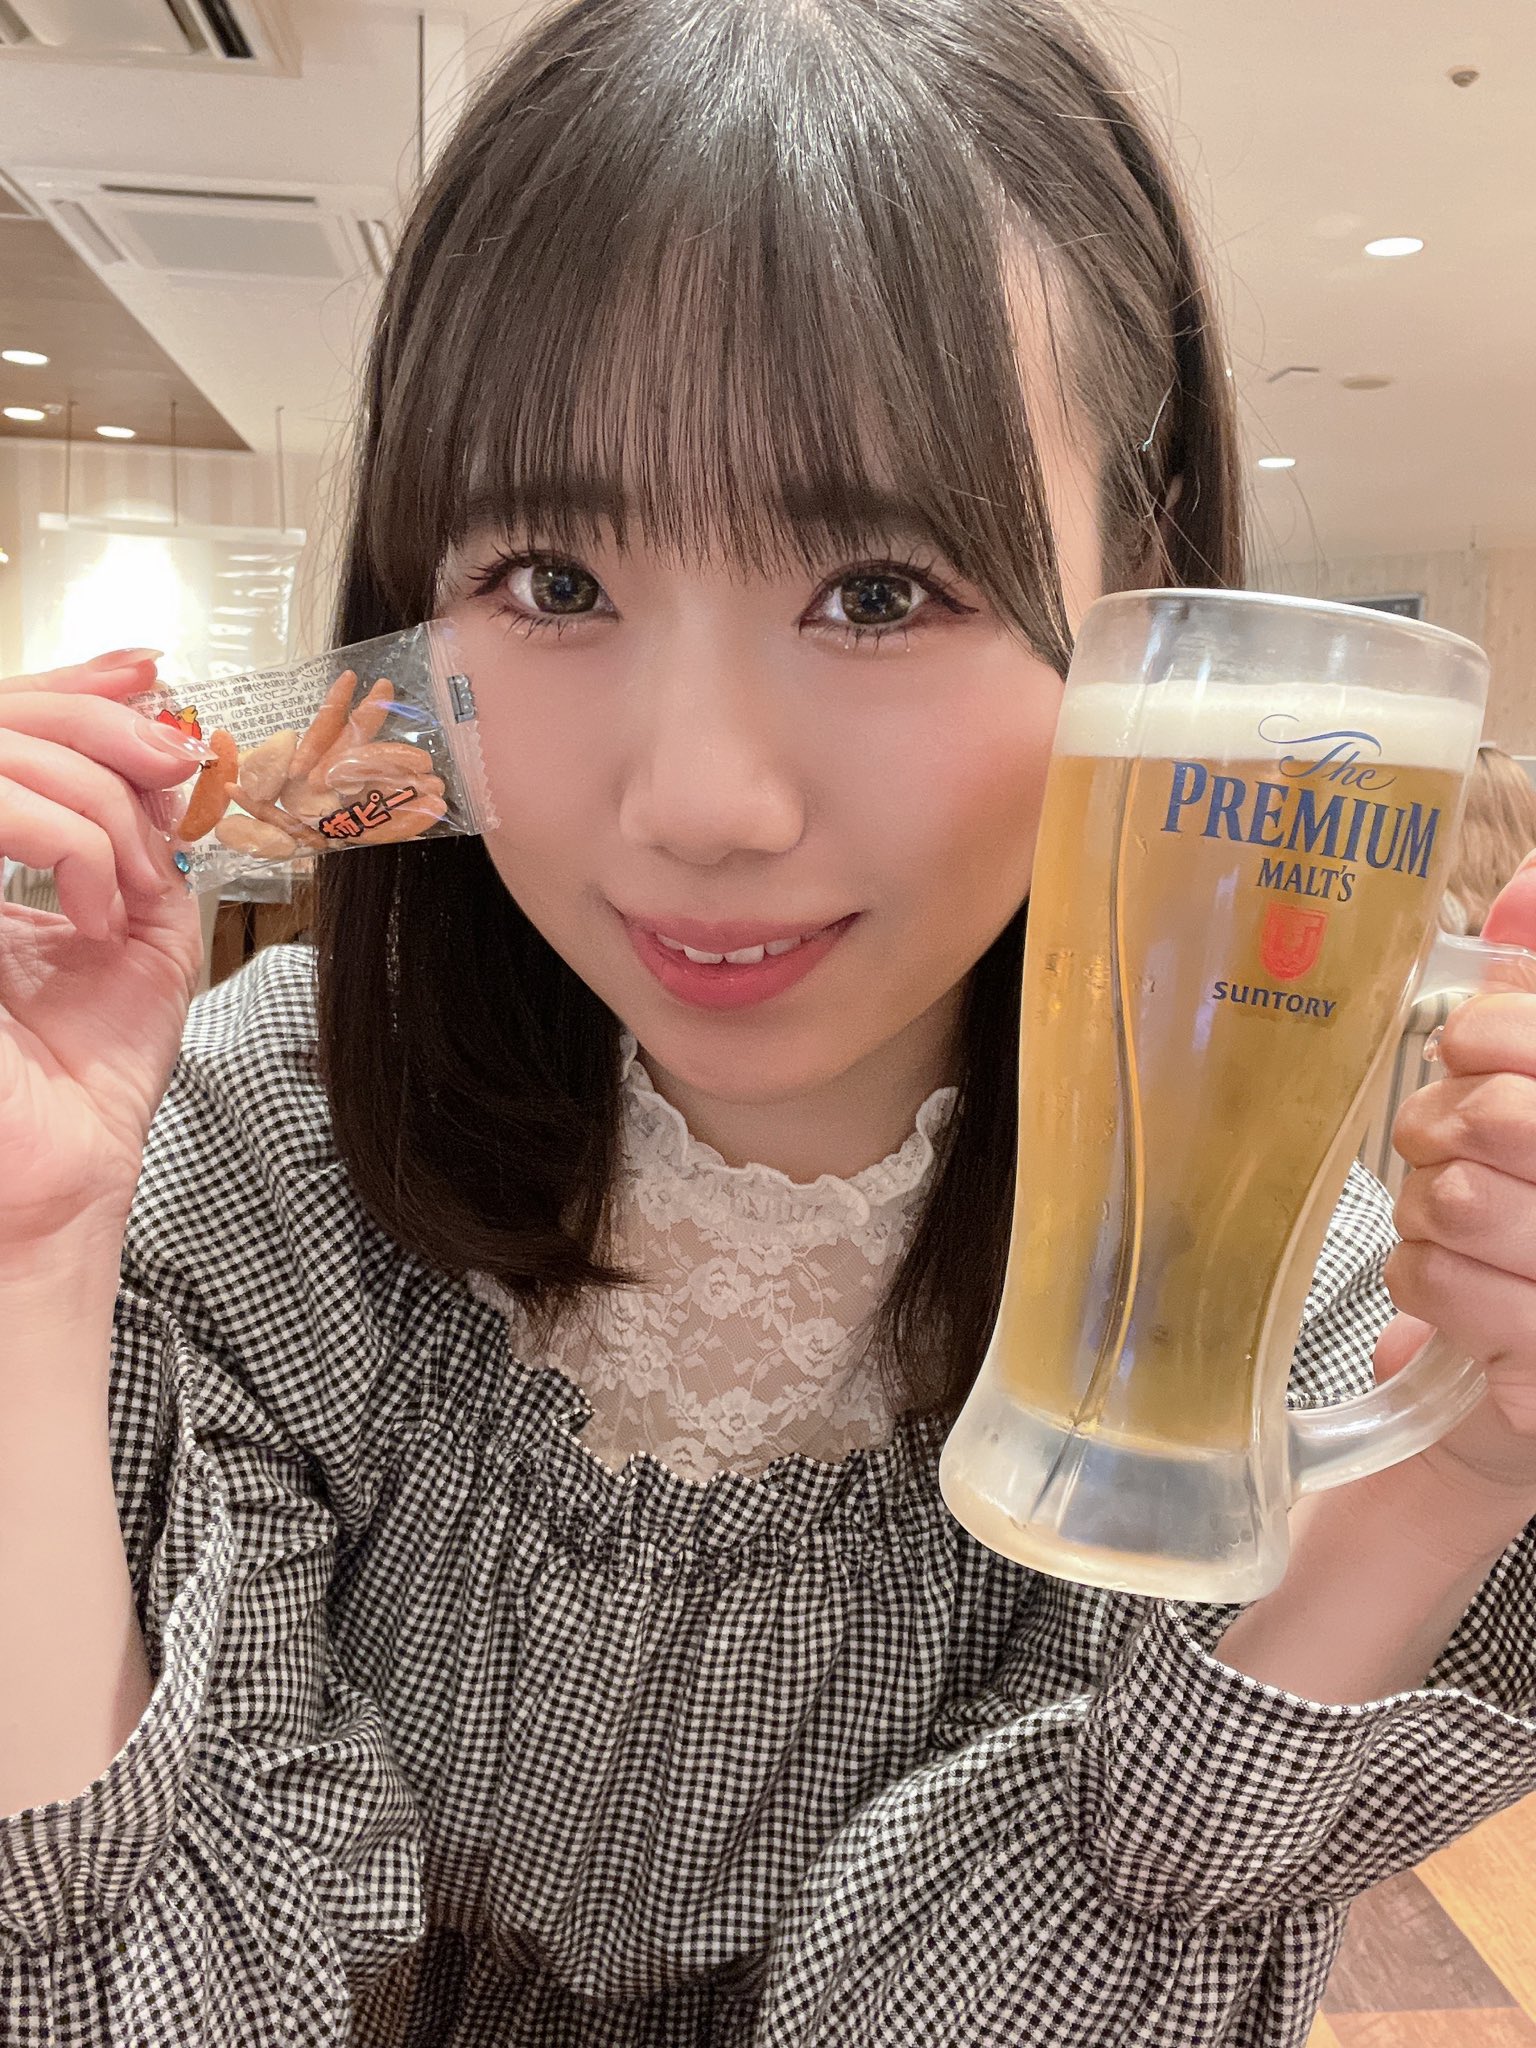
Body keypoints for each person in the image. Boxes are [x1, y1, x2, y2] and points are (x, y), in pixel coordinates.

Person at [3, 3, 1536, 2042]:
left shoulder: (1275, 1320)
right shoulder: (252, 1152)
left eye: (880, 590)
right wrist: (23, 1285)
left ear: (1148, 591)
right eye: (554, 580)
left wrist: (1451, 1474)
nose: (703, 803)